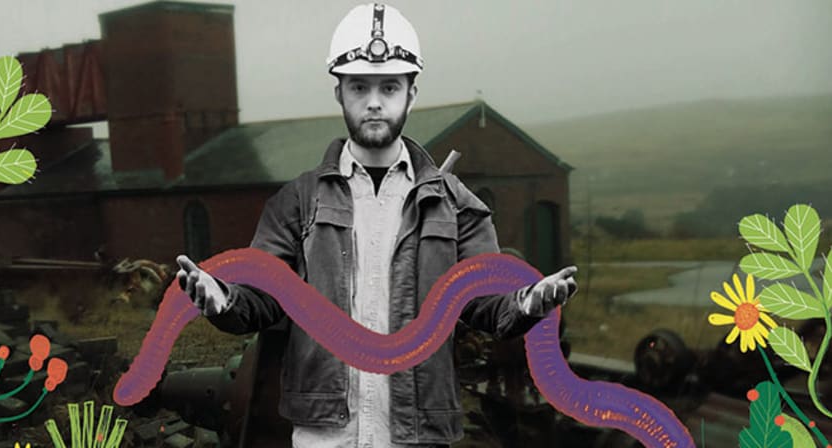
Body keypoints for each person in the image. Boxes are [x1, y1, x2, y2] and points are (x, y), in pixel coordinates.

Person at [175, 3, 578, 447]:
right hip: (325, 436)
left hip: (418, 436)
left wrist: (526, 304)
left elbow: (486, 306)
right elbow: (264, 299)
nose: (373, 102)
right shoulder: (297, 203)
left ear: (411, 93)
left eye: (389, 86)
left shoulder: (457, 206)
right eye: (359, 86)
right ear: (339, 93)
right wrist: (222, 301)